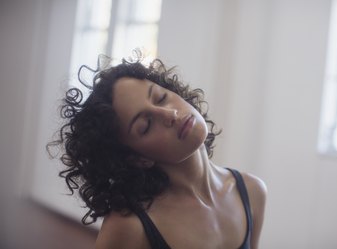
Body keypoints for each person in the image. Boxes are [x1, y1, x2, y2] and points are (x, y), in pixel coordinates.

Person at [48, 53, 267, 249]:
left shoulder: (252, 191)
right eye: (146, 125)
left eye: (161, 97)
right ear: (138, 158)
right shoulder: (130, 228)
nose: (170, 114)